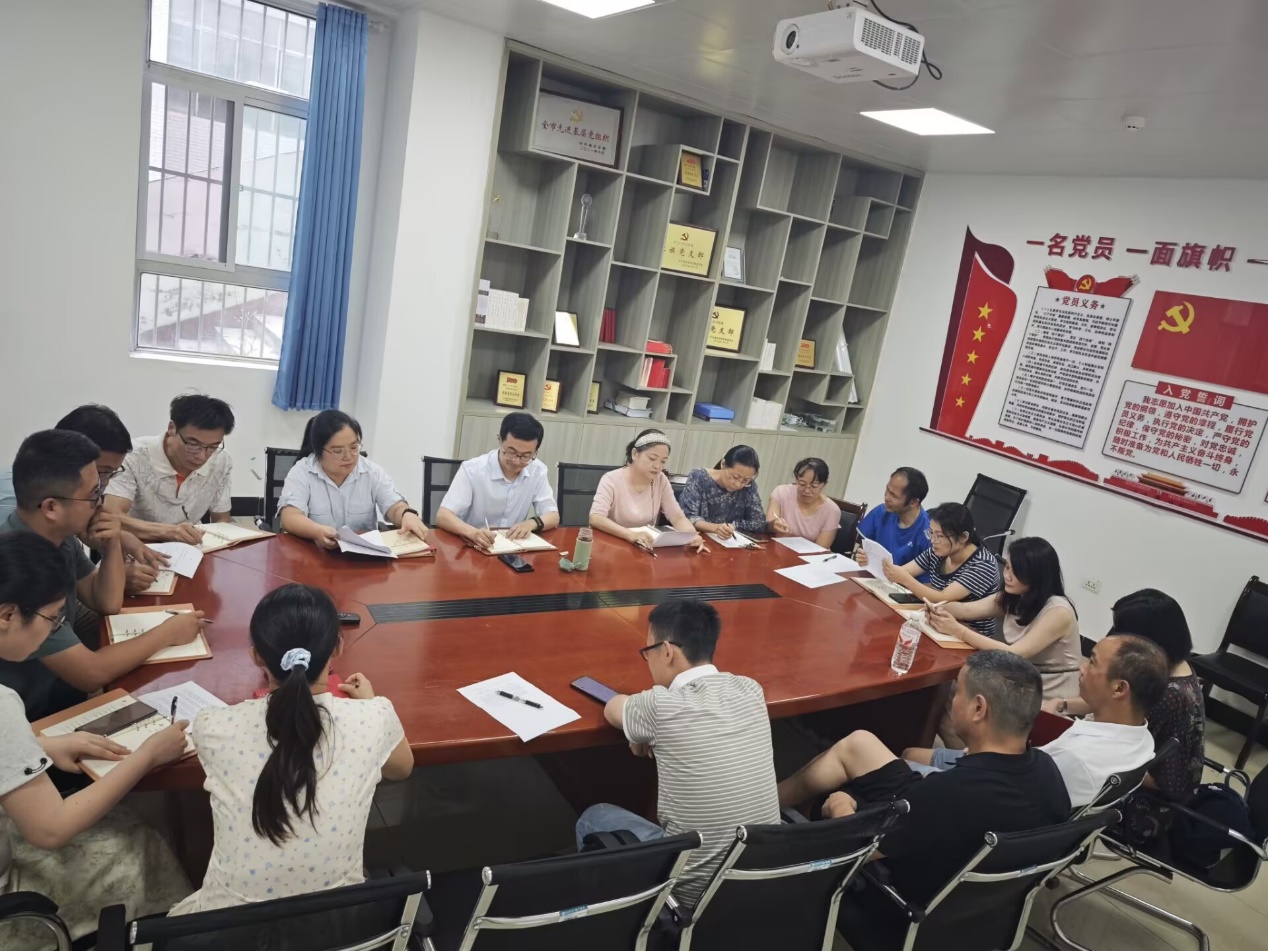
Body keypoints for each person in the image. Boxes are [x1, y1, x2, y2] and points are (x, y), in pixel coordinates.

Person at [170, 583, 413, 914]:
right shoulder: (373, 717)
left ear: (256, 656)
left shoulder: (213, 727)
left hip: (225, 931)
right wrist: (370, 703)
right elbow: (401, 768)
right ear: (338, 648)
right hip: (338, 928)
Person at [0, 532, 191, 948]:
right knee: (144, 843)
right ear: (7, 615)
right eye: (54, 619)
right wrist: (146, 756)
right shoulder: (2, 704)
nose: (56, 630)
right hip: (11, 895)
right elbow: (50, 831)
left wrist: (42, 747)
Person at [777, 652, 1071, 906]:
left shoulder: (950, 793)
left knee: (834, 797)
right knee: (859, 744)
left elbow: (854, 851)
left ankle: (766, 814)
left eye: (958, 692)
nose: (953, 701)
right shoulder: (1047, 770)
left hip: (898, 894)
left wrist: (839, 807)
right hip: (971, 885)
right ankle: (771, 797)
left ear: (978, 708)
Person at [575, 600, 779, 907]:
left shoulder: (660, 706)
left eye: (648, 651)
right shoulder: (751, 689)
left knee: (594, 817)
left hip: (690, 898)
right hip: (763, 881)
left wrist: (641, 726)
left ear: (668, 652)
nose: (647, 660)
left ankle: (615, 918)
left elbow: (613, 708)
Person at [0, 430, 206, 718]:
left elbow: (105, 602)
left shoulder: (58, 536)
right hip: (24, 714)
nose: (101, 503)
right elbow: (90, 674)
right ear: (51, 507)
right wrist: (168, 633)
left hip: (48, 689)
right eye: (93, 495)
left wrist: (111, 544)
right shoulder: (21, 569)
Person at [908, 635, 1167, 808]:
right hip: (1010, 780)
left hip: (988, 793)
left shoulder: (1074, 760)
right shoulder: (1142, 739)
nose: (1082, 667)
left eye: (1092, 661)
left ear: (1119, 689)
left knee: (903, 762)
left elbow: (1004, 788)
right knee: (912, 753)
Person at [1045, 590, 1205, 840]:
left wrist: (1086, 757)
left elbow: (1156, 777)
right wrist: (1063, 705)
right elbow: (1109, 700)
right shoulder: (1172, 670)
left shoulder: (1170, 696)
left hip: (1143, 802)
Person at [0, 405, 171, 596]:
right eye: (102, 471)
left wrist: (119, 539)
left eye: (112, 473)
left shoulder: (62, 519)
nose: (104, 483)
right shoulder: (16, 508)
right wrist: (116, 577)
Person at [923, 537, 1082, 699]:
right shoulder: (1015, 596)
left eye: (1016, 572)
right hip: (1019, 676)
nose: (1007, 576)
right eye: (1007, 567)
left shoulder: (1058, 611)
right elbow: (966, 610)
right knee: (958, 686)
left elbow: (1015, 654)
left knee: (964, 688)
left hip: (1051, 693)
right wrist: (938, 608)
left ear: (1037, 575)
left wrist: (958, 630)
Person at [277, 410, 430, 549]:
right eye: (338, 451)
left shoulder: (371, 471)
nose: (348, 456)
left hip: (364, 555)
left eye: (354, 447)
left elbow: (394, 507)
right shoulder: (302, 471)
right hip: (316, 553)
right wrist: (317, 531)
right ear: (318, 450)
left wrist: (406, 514)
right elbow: (290, 517)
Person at [104, 394, 236, 544]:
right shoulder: (133, 456)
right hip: (136, 546)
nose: (202, 456)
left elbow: (221, 520)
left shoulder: (220, 460)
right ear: (172, 428)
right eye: (193, 444)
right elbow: (112, 516)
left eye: (213, 446)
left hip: (191, 547)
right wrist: (169, 532)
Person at [436, 412, 559, 550]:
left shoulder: (537, 470)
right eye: (511, 452)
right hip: (474, 547)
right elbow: (443, 516)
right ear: (500, 440)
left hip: (513, 548)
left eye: (526, 456)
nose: (516, 461)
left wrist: (531, 523)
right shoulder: (473, 470)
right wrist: (472, 532)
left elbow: (553, 516)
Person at [882, 502, 1002, 634]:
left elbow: (942, 598)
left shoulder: (983, 564)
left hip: (968, 632)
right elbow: (902, 571)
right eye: (931, 533)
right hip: (935, 620)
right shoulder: (939, 550)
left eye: (939, 536)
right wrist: (878, 562)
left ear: (963, 537)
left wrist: (905, 580)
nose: (933, 541)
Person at [589, 430, 708, 554]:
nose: (657, 466)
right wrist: (630, 535)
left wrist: (691, 535)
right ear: (635, 454)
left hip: (643, 547)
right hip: (610, 545)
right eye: (652, 458)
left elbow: (676, 516)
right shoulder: (611, 479)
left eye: (663, 461)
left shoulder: (661, 480)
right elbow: (596, 518)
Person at [679, 446, 770, 539]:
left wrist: (733, 526)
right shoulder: (699, 477)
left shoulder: (749, 486)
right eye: (735, 477)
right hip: (698, 540)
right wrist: (716, 528)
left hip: (732, 543)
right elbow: (688, 517)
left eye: (745, 480)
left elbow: (759, 522)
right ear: (723, 464)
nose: (738, 484)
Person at [855, 467, 930, 567]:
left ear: (913, 502)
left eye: (894, 496)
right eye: (887, 490)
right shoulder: (880, 512)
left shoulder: (928, 533)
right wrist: (862, 557)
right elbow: (861, 549)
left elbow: (928, 575)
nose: (886, 498)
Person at [766, 457, 840, 550]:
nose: (807, 490)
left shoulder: (832, 510)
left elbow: (820, 550)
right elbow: (768, 524)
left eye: (814, 486)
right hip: (778, 551)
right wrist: (774, 525)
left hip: (809, 557)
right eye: (802, 484)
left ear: (824, 485)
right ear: (796, 479)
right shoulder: (781, 492)